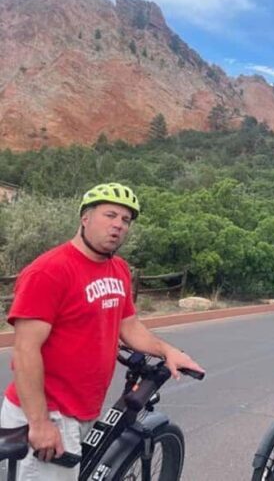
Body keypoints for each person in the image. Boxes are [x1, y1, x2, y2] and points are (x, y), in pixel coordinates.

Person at [1, 182, 204, 481]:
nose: (118, 225)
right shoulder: (49, 271)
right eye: (110, 215)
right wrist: (40, 422)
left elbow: (128, 325)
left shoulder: (118, 269)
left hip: (83, 411)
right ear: (85, 218)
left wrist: (167, 350)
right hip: (48, 413)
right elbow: (25, 351)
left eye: (125, 220)